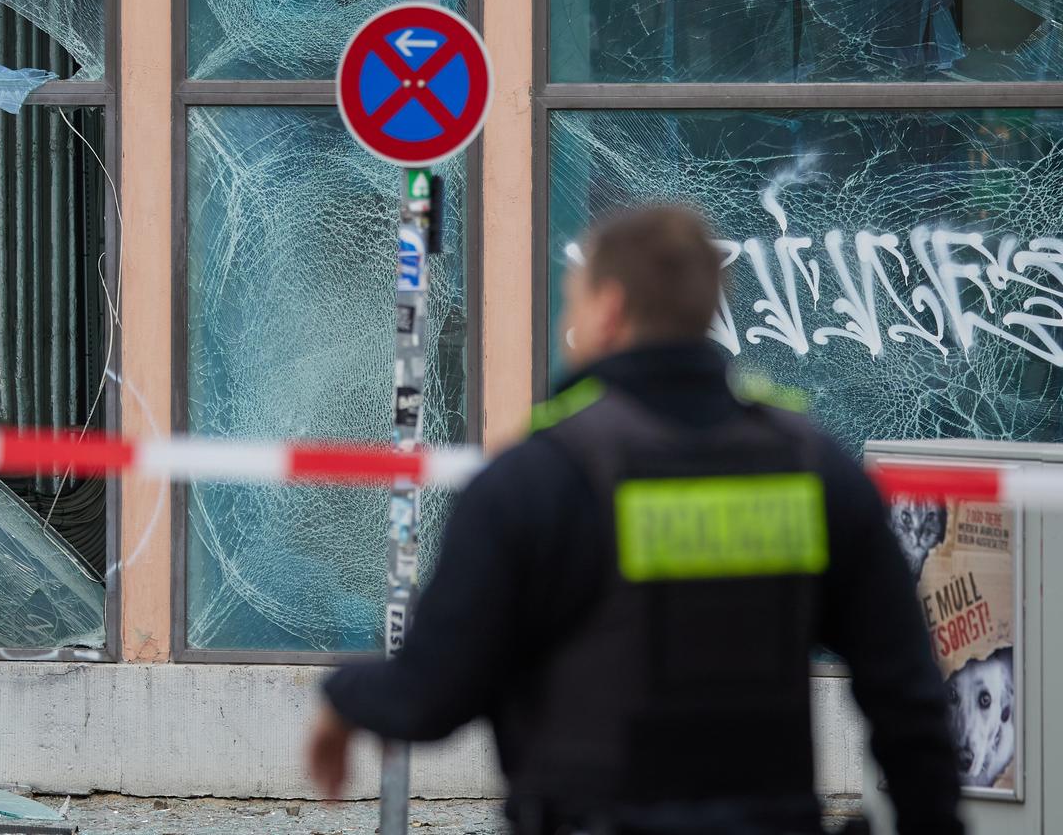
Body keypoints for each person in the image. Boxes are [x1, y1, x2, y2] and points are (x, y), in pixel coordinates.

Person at [306, 204, 962, 835]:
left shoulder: (538, 479)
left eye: (574, 300)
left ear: (610, 309)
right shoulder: (815, 469)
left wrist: (344, 700)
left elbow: (431, 694)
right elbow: (906, 694)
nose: (572, 317)